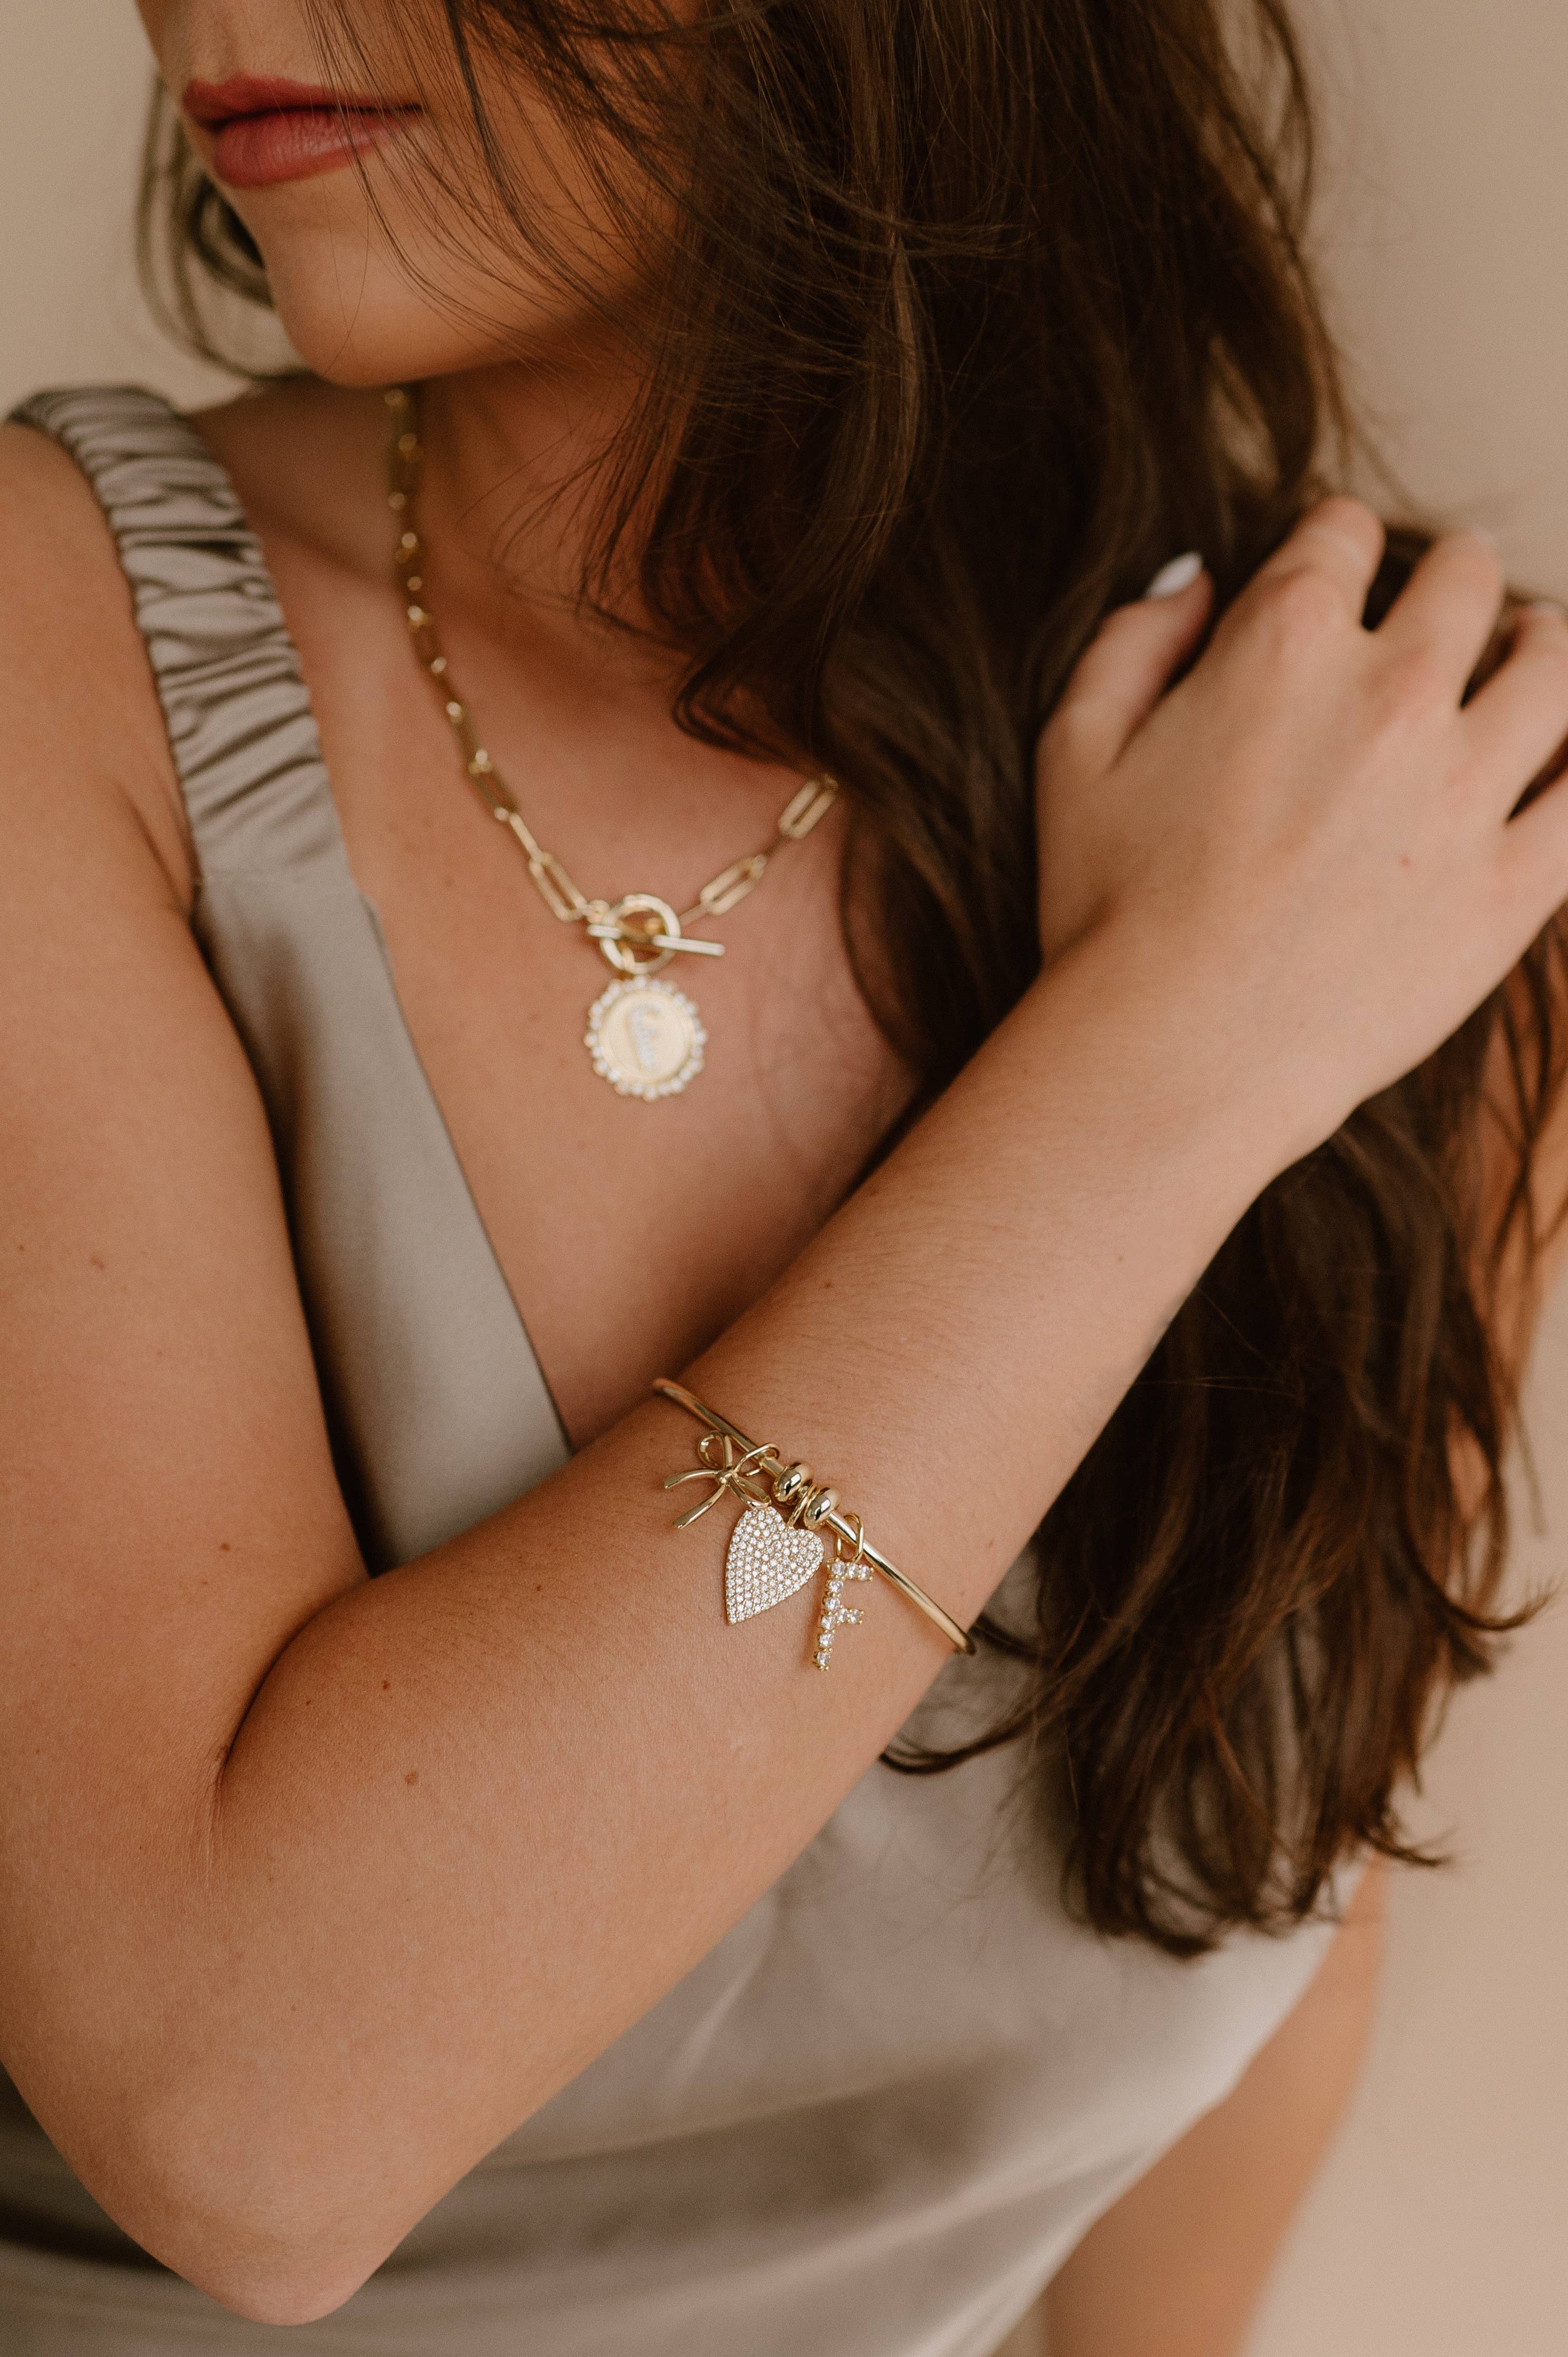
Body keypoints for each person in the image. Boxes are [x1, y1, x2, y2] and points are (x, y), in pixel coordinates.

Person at [2, 1, 1565, 2351]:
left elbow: (1265, 1919)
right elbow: (251, 2122)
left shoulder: (1368, 800)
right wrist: (1167, 1053)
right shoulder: (54, 663)